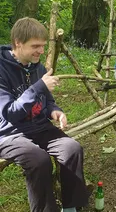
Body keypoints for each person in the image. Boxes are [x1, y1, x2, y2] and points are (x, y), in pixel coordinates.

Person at [0, 17, 90, 212]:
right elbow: (9, 113)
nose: (41, 51)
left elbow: (47, 100)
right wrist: (38, 86)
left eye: (42, 46)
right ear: (18, 43)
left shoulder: (38, 67)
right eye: (35, 46)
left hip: (39, 127)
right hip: (10, 133)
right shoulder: (1, 69)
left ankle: (71, 207)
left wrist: (55, 111)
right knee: (39, 161)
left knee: (72, 149)